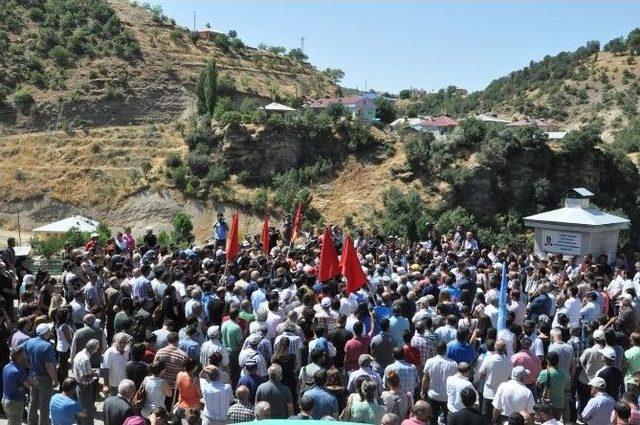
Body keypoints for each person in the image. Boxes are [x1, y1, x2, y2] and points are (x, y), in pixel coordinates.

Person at [25, 322, 58, 425]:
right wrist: (55, 379)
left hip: (32, 375)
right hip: (44, 378)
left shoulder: (29, 342)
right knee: (44, 404)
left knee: (33, 402)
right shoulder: (47, 346)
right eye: (49, 330)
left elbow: (21, 353)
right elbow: (49, 366)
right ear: (46, 332)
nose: (50, 331)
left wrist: (29, 366)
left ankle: (31, 422)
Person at [422, 341, 457, 425]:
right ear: (446, 350)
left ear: (435, 350)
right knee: (448, 420)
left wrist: (423, 391)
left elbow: (425, 378)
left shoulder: (430, 362)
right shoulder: (453, 364)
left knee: (432, 420)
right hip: (447, 396)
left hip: (433, 395)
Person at [72, 338, 100, 425]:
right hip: (85, 387)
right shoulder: (85, 359)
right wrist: (96, 374)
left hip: (79, 385)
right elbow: (84, 376)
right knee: (87, 411)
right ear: (93, 349)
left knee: (81, 408)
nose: (96, 350)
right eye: (96, 348)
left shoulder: (79, 354)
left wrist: (91, 371)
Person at [2, 346, 32, 425]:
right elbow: (28, 385)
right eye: (24, 354)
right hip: (14, 403)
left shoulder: (6, 367)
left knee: (12, 421)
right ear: (19, 357)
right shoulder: (19, 371)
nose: (25, 355)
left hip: (5, 400)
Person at [536, 351, 567, 420]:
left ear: (548, 361)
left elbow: (537, 384)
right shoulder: (564, 373)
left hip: (547, 404)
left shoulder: (544, 372)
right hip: (560, 403)